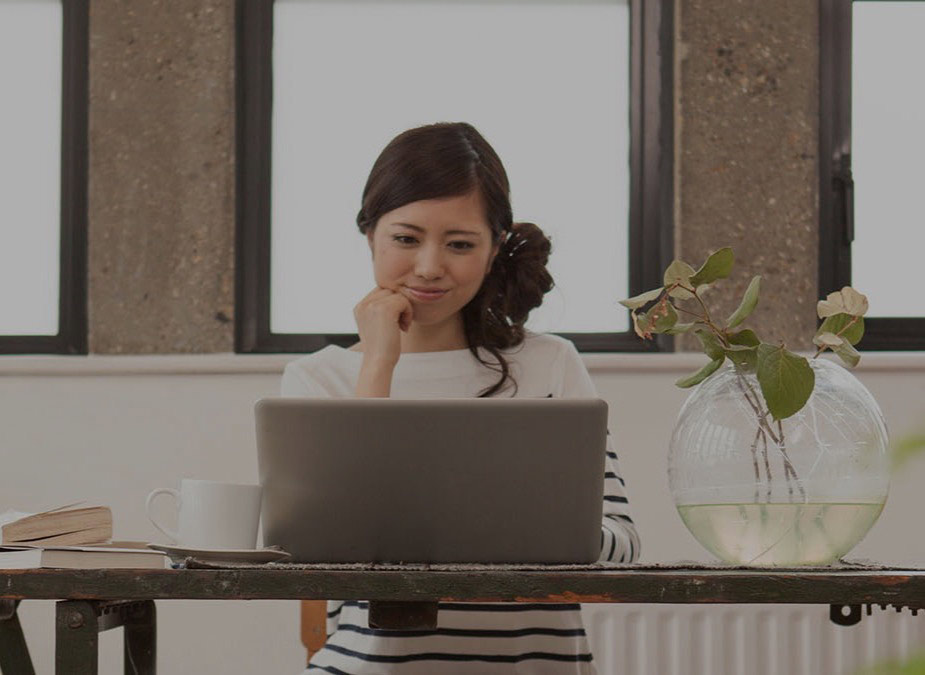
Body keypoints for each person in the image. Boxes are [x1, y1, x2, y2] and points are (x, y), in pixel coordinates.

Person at [281, 121, 640, 674]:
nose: (429, 266)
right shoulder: (318, 379)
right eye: (406, 238)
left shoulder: (549, 364)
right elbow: (326, 554)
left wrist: (519, 525)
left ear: (495, 248)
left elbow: (621, 546)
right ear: (369, 234)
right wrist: (380, 362)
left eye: (460, 244)